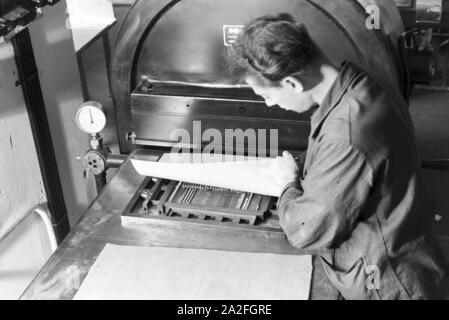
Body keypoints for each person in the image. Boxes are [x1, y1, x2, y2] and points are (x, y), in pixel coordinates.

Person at [227, 13, 449, 300]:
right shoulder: (364, 81)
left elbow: (307, 229)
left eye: (267, 95)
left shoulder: (347, 132)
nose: (270, 104)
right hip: (409, 249)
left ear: (293, 84)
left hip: (385, 281)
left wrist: (287, 185)